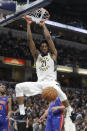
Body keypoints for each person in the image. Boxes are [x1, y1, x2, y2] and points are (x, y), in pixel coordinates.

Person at [15, 21, 72, 119]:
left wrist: (43, 25)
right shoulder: (37, 56)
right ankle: (22, 114)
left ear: (48, 48)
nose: (44, 47)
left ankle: (71, 112)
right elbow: (30, 40)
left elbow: (48, 38)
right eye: (42, 46)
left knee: (59, 90)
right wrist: (28, 25)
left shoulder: (53, 55)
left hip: (52, 83)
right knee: (18, 87)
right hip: (40, 84)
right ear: (40, 48)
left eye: (46, 46)